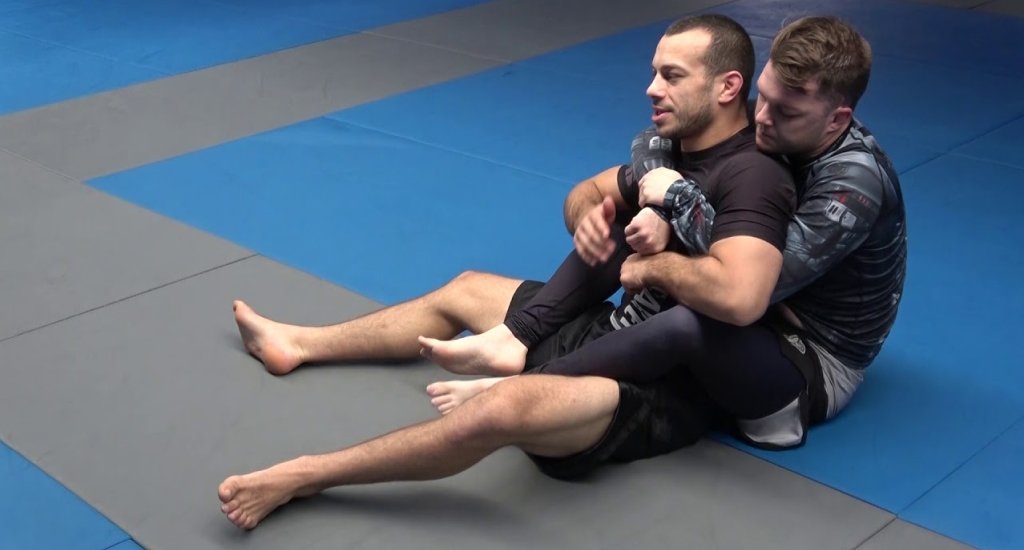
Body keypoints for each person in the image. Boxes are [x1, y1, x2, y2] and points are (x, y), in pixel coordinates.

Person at [220, 14, 797, 529]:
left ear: (727, 87)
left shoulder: (752, 177)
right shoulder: (671, 149)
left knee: (500, 409)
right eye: (654, 72)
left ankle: (306, 475)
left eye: (671, 76)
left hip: (660, 386)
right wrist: (587, 222)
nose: (651, 88)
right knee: (467, 289)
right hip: (613, 329)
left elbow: (739, 294)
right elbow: (586, 192)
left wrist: (652, 264)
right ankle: (299, 343)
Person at [424, 15, 907, 449]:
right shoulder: (779, 119)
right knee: (628, 222)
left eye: (785, 113)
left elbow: (751, 289)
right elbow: (656, 141)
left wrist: (675, 201)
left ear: (837, 120)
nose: (761, 117)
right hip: (764, 319)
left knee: (692, 318)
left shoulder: (853, 184)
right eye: (764, 96)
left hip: (813, 357)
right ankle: (516, 337)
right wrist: (654, 200)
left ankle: (520, 389)